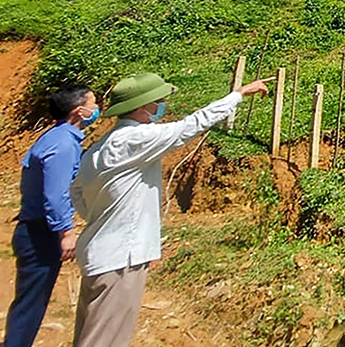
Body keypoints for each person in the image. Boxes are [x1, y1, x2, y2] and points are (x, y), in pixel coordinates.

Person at [70, 72, 271, 347]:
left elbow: (77, 191)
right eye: (160, 101)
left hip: (99, 253)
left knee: (90, 335)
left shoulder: (100, 147)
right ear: (145, 106)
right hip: (120, 261)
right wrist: (239, 95)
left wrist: (99, 215)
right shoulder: (136, 140)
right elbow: (190, 126)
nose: (161, 107)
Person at [4, 84, 99, 347]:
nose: (96, 108)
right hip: (40, 234)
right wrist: (66, 232)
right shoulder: (64, 146)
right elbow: (56, 195)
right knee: (31, 305)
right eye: (93, 103)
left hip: (34, 229)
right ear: (79, 111)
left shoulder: (54, 137)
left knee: (28, 301)